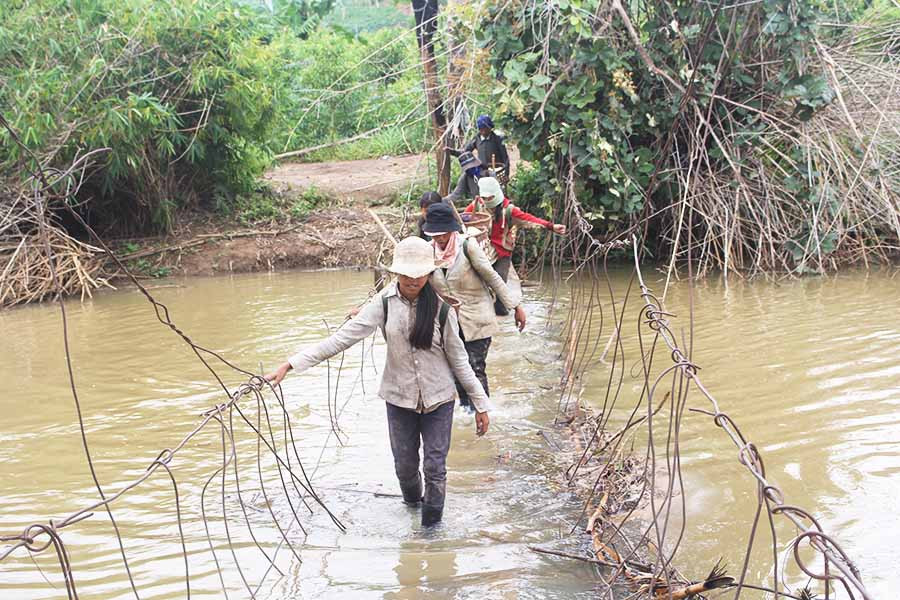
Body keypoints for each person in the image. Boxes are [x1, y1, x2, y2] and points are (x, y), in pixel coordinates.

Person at [264, 237, 491, 527]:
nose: (412, 280)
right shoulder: (383, 303)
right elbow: (342, 339)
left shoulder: (443, 311)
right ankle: (412, 509)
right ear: (396, 273)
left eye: (418, 273)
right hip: (399, 399)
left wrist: (481, 406)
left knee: (435, 468)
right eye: (406, 274)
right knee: (405, 467)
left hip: (439, 399)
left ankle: (431, 533)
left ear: (429, 273)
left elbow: (460, 361)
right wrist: (292, 363)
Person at [422, 203, 526, 413]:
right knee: (455, 368)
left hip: (477, 318)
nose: (440, 239)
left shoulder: (467, 247)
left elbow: (492, 277)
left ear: (451, 230)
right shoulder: (428, 253)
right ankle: (466, 412)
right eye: (435, 235)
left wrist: (515, 306)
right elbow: (409, 281)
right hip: (449, 321)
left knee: (474, 366)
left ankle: (483, 411)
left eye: (443, 234)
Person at [464, 177, 566, 316]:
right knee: (478, 283)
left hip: (501, 252)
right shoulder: (476, 206)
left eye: (491, 198)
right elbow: (464, 219)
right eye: (485, 198)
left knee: (500, 284)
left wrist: (550, 226)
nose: (488, 201)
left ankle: (501, 311)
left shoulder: (508, 210)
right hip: (481, 249)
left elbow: (528, 219)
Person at [465, 115, 511, 183]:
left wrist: (506, 174)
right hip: (483, 173)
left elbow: (505, 158)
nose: (483, 132)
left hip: (497, 172)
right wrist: (474, 164)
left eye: (485, 129)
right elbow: (466, 151)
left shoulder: (497, 140)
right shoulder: (476, 139)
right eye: (481, 129)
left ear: (490, 128)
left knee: (498, 191)